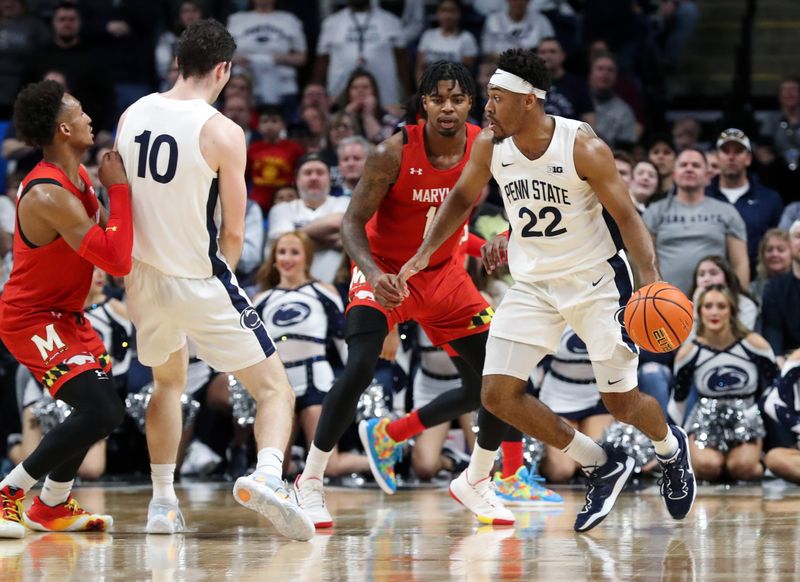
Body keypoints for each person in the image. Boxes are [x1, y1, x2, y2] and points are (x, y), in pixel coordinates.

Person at [398, 48, 696, 532]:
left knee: (621, 401)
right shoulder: (490, 147)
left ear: (529, 101)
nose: (486, 108)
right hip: (533, 284)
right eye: (488, 98)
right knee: (496, 395)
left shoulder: (582, 146)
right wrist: (422, 254)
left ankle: (669, 447)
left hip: (596, 282)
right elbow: (459, 201)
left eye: (496, 98)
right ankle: (601, 462)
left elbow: (628, 218)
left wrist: (650, 283)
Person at [293, 61, 519, 529]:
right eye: (438, 99)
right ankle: (309, 482)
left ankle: (476, 481)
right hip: (387, 273)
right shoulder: (390, 153)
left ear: (470, 104)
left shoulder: (489, 145)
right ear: (423, 104)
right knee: (358, 368)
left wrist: (508, 235)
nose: (448, 108)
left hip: (446, 276)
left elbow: (525, 203)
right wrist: (373, 274)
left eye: (457, 98)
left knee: (498, 381)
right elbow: (351, 223)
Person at [114, 19, 313, 541]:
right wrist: (216, 276)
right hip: (196, 278)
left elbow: (122, 196)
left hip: (141, 278)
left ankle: (162, 503)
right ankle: (270, 476)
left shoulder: (132, 114)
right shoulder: (224, 131)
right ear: (223, 69)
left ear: (178, 61)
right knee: (275, 390)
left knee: (168, 384)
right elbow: (233, 231)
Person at [0, 80, 131, 538]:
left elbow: (113, 242)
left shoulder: (78, 177)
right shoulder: (48, 193)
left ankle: (53, 504)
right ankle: (9, 494)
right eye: (79, 111)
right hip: (31, 316)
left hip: (67, 315)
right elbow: (113, 258)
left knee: (102, 407)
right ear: (62, 127)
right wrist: (121, 192)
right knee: (101, 411)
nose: (89, 118)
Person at [253, 232, 369, 478]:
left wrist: (355, 379)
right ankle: (296, 466)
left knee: (330, 465)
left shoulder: (323, 292)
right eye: (282, 252)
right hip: (279, 386)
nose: (287, 258)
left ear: (307, 257)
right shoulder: (261, 300)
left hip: (316, 383)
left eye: (294, 252)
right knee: (275, 468)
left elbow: (342, 339)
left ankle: (378, 461)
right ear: (273, 258)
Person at [669, 285, 778, 481]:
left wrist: (756, 412)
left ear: (732, 311)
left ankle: (754, 463)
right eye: (708, 306)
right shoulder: (689, 352)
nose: (714, 312)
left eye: (721, 306)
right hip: (705, 418)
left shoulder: (754, 344)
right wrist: (671, 446)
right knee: (707, 468)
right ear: (699, 312)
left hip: (746, 415)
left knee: (741, 468)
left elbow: (776, 387)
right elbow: (678, 401)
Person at [643, 148, 750, 295]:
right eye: (683, 165)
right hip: (665, 303)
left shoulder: (727, 211)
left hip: (713, 305)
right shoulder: (654, 211)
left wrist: (739, 301)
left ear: (707, 176)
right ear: (674, 174)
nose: (689, 169)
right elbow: (645, 262)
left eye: (696, 165)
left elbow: (740, 263)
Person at [706, 128, 784, 278]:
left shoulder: (770, 199)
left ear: (748, 158)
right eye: (725, 151)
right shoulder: (702, 195)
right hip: (708, 281)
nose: (731, 157)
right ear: (716, 157)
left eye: (738, 151)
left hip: (757, 281)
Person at [761, 220, 800, 366]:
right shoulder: (774, 287)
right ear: (789, 243)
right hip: (789, 361)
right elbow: (773, 327)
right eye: (798, 236)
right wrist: (777, 356)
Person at [688, 255, 758, 330]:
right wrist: (696, 310)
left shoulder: (745, 305)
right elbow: (688, 340)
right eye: (701, 274)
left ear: (727, 279)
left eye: (713, 273)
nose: (707, 279)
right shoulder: (686, 306)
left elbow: (741, 338)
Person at [750, 227, 791, 304]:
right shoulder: (752, 290)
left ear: (792, 254)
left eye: (781, 250)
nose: (774, 254)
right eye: (769, 250)